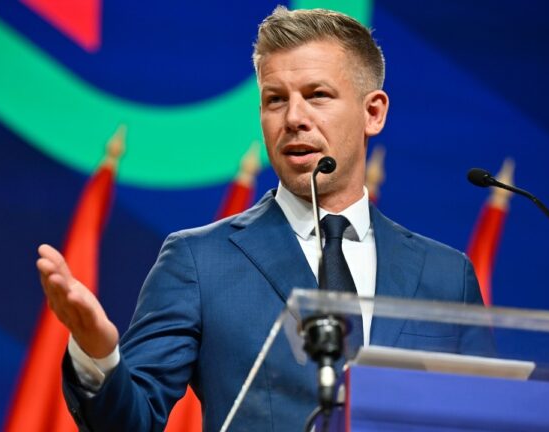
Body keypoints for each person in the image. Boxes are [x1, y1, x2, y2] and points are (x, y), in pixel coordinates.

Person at [37, 6, 491, 431]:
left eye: (317, 96)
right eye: (275, 100)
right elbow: (131, 422)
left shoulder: (447, 276)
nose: (294, 118)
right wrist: (98, 353)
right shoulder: (199, 261)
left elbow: (485, 417)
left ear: (373, 113)